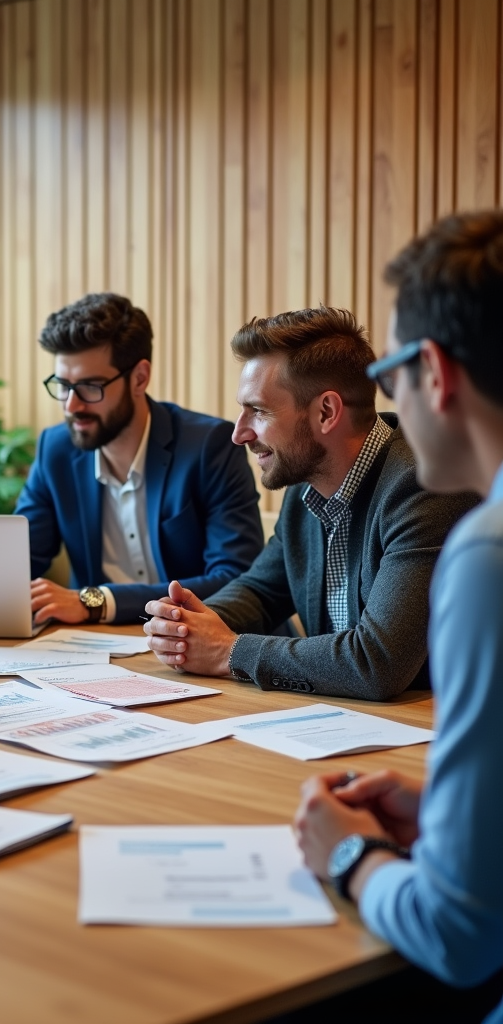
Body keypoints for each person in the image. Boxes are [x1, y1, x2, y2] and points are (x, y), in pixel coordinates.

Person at [293, 211, 503, 1023]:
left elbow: (460, 935)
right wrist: (449, 812)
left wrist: (345, 853)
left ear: (436, 372)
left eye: (390, 371)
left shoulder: (486, 552)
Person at [144, 305, 478, 701]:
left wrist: (227, 652)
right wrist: (185, 625)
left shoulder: (424, 486)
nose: (239, 433)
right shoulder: (305, 487)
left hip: (432, 735)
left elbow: (377, 663)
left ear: (326, 412)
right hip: (349, 725)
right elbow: (261, 591)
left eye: (259, 411)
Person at [13, 291, 264, 626]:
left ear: (139, 378)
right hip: (93, 651)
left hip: (201, 644)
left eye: (90, 386)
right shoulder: (55, 449)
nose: (71, 405)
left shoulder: (208, 446)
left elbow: (236, 578)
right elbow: (17, 563)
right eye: (63, 385)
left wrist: (98, 602)